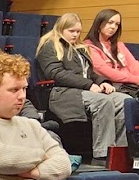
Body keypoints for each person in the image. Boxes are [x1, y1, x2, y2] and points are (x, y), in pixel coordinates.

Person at [36, 12, 129, 164]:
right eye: (71, 31)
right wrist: (89, 85)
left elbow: (90, 73)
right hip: (62, 92)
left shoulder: (79, 48)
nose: (75, 35)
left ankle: (118, 153)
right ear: (61, 28)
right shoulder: (49, 46)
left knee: (124, 100)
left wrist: (103, 82)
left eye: (78, 31)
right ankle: (102, 155)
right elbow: (56, 73)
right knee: (103, 102)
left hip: (84, 90)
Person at [84, 8, 139, 94]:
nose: (113, 27)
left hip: (130, 83)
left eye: (117, 24)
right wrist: (135, 79)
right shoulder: (89, 46)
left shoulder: (119, 45)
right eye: (110, 22)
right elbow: (105, 71)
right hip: (111, 86)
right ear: (99, 23)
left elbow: (133, 65)